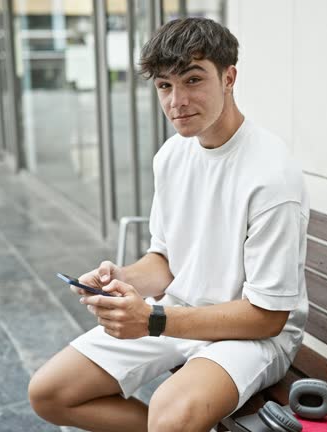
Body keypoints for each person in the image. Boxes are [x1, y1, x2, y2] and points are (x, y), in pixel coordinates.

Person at [28, 17, 310, 432]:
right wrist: (120, 279)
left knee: (170, 413)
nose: (177, 100)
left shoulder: (271, 174)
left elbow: (267, 317)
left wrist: (153, 320)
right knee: (50, 393)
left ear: (229, 77)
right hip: (177, 314)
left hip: (252, 337)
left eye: (193, 80)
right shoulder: (172, 155)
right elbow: (164, 260)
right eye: (164, 85)